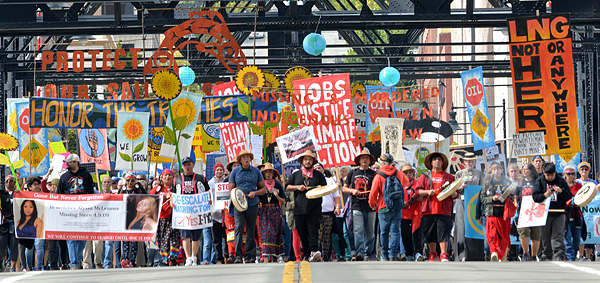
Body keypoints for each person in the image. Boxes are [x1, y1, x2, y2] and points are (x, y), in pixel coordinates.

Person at [285, 150, 327, 262]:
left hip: (314, 208)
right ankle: (307, 253)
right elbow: (287, 187)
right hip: (299, 209)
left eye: (310, 159)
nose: (307, 162)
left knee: (313, 230)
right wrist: (297, 187)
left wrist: (316, 189)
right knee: (302, 232)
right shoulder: (296, 175)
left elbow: (325, 189)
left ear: (313, 161)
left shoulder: (318, 175)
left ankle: (314, 250)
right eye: (306, 159)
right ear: (302, 161)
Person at [368, 154, 410, 261]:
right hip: (397, 206)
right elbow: (406, 183)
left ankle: (385, 254)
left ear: (382, 163)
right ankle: (393, 254)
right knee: (395, 231)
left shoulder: (379, 175)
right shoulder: (399, 173)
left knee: (384, 231)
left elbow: (373, 192)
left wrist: (372, 203)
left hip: (383, 206)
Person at [415, 152, 456, 262]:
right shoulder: (424, 176)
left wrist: (452, 193)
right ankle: (432, 255)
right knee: (430, 234)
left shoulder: (449, 177)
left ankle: (443, 255)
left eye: (439, 159)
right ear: (431, 163)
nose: (437, 161)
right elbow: (417, 191)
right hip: (428, 210)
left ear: (442, 162)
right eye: (434, 160)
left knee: (444, 232)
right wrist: (428, 191)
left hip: (444, 210)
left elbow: (455, 193)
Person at [57, 153, 94, 270]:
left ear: (76, 162)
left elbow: (91, 193)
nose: (67, 164)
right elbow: (59, 195)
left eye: (69, 162)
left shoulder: (86, 175)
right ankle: (73, 263)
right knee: (71, 237)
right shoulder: (63, 177)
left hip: (83, 211)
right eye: (67, 162)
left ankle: (77, 258)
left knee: (82, 238)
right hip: (69, 211)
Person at [229, 150, 266, 263]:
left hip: (252, 203)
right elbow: (231, 190)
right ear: (240, 160)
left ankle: (249, 255)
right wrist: (237, 196)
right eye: (244, 157)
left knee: (251, 229)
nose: (246, 159)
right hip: (239, 204)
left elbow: (263, 189)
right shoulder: (234, 172)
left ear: (250, 159)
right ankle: (238, 256)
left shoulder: (256, 171)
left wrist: (255, 193)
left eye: (248, 157)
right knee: (238, 228)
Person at [174, 156, 210, 266]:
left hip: (197, 211)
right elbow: (173, 194)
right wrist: (172, 202)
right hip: (183, 212)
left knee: (196, 234)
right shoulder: (177, 179)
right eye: (184, 165)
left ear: (193, 165)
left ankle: (194, 256)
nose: (187, 166)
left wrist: (209, 200)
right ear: (182, 166)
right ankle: (188, 257)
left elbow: (207, 192)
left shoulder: (201, 178)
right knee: (185, 235)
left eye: (188, 164)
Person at [532, 162, 572, 261]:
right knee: (545, 236)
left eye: (552, 175)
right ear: (543, 173)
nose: (550, 177)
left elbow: (569, 196)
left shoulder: (561, 181)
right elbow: (535, 197)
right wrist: (545, 195)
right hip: (545, 214)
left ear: (555, 172)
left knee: (558, 235)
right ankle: (547, 255)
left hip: (559, 212)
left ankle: (559, 254)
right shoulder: (540, 181)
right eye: (547, 175)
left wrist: (561, 191)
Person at [343, 149, 377, 261]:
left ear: (370, 160)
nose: (365, 160)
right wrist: (353, 191)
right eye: (363, 158)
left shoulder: (374, 174)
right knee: (358, 230)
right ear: (359, 160)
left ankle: (368, 253)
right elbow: (344, 188)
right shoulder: (352, 172)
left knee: (370, 232)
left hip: (371, 206)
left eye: (367, 158)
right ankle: (359, 253)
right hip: (357, 205)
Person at [453, 152, 485, 262]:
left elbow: (483, 188)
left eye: (472, 161)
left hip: (475, 203)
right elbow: (454, 189)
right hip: (462, 202)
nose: (470, 163)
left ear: (475, 162)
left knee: (474, 228)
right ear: (464, 162)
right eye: (468, 161)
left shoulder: (479, 173)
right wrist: (460, 186)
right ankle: (462, 255)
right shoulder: (459, 173)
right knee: (461, 229)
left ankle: (476, 255)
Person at [480, 163, 513, 262]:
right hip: (492, 213)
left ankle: (503, 256)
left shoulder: (508, 183)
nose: (497, 171)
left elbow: (514, 197)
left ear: (502, 171)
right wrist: (491, 198)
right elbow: (482, 198)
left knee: (504, 235)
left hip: (504, 214)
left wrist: (511, 194)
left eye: (499, 169)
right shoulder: (487, 183)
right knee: (492, 234)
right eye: (494, 169)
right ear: (492, 171)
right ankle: (494, 252)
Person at [149, 169, 181, 266]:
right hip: (161, 218)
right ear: (161, 177)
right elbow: (150, 199)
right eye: (165, 175)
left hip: (174, 217)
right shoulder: (157, 189)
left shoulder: (177, 188)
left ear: (173, 177)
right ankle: (165, 259)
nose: (168, 177)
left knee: (174, 237)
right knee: (162, 239)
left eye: (170, 175)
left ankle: (173, 258)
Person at [315, 163, 343, 262]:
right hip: (315, 213)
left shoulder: (330, 181)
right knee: (317, 235)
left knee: (326, 235)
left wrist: (338, 206)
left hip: (328, 212)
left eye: (319, 168)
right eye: (316, 168)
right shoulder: (311, 181)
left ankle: (326, 255)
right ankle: (316, 254)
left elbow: (336, 195)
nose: (317, 169)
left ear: (323, 170)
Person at [258, 163, 285, 263]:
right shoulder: (260, 185)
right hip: (264, 211)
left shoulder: (277, 185)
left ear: (273, 174)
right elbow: (258, 198)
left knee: (275, 233)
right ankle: (265, 255)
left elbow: (283, 201)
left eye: (270, 172)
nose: (268, 174)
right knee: (265, 233)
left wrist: (277, 196)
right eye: (266, 172)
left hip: (275, 210)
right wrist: (259, 203)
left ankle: (275, 255)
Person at [514, 163, 541, 262]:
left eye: (526, 169)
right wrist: (516, 203)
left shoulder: (537, 182)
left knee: (536, 233)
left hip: (535, 211)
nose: (524, 171)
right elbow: (516, 196)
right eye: (523, 169)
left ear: (531, 170)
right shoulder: (520, 183)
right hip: (524, 211)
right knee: (524, 232)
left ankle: (534, 256)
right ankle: (525, 253)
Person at [119, 171, 146, 268]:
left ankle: (133, 260)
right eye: (128, 180)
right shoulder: (122, 189)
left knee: (134, 239)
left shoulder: (138, 190)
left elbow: (146, 196)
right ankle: (125, 259)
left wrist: (139, 185)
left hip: (135, 217)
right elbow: (115, 200)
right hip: (125, 217)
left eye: (132, 180)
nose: (130, 182)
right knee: (125, 240)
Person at [400, 165, 424, 261]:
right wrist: (402, 203)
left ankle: (418, 253)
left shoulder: (417, 184)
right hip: (404, 213)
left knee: (417, 234)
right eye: (406, 173)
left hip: (416, 212)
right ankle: (409, 253)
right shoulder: (399, 184)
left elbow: (421, 195)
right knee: (406, 235)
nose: (408, 175)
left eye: (410, 173)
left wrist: (418, 198)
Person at [576, 162, 597, 261]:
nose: (584, 171)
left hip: (590, 212)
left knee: (590, 233)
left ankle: (588, 256)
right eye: (582, 169)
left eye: (586, 169)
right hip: (580, 212)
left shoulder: (594, 183)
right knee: (580, 232)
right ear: (579, 171)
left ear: (589, 171)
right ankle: (580, 255)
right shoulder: (576, 182)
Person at [208, 163, 228, 264]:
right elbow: (207, 196)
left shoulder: (227, 182)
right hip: (215, 215)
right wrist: (209, 200)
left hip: (226, 214)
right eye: (217, 170)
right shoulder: (210, 183)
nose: (219, 172)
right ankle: (219, 259)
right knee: (216, 239)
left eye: (221, 170)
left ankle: (227, 257)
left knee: (227, 237)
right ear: (214, 171)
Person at [563, 165, 583, 261]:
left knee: (577, 238)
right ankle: (570, 256)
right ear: (565, 175)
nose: (570, 176)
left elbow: (583, 198)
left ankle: (574, 254)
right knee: (567, 236)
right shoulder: (562, 185)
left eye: (572, 174)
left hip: (577, 214)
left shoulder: (579, 186)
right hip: (567, 215)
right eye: (568, 174)